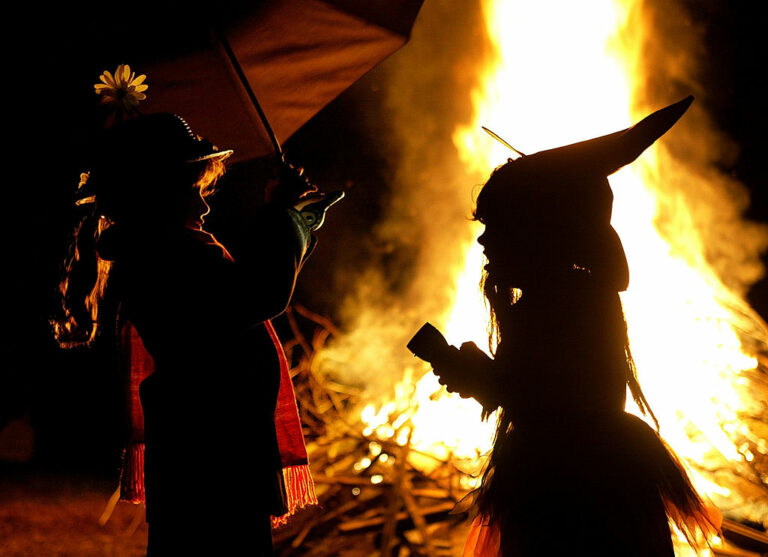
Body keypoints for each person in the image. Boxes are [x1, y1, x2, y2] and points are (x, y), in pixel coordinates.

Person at [411, 97, 720, 556]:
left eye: (498, 225)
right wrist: (472, 372)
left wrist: (477, 374)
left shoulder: (568, 300)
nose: (483, 239)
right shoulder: (565, 296)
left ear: (539, 232)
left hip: (575, 491)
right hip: (579, 478)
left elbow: (550, 400)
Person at [54, 113, 340, 555]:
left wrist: (294, 222)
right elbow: (255, 294)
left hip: (205, 448)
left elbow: (250, 290)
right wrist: (285, 221)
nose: (205, 206)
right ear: (156, 195)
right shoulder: (164, 257)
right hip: (212, 456)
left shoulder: (159, 251)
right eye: (193, 192)